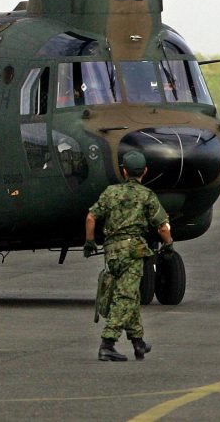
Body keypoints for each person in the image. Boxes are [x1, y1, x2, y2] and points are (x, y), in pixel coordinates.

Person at [83, 150, 173, 362]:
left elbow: (90, 218)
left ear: (123, 171)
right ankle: (107, 343)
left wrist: (89, 242)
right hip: (132, 252)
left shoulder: (110, 193)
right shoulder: (146, 196)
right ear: (145, 171)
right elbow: (162, 227)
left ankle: (138, 341)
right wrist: (169, 245)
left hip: (112, 253)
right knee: (125, 296)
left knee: (130, 295)